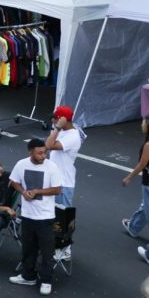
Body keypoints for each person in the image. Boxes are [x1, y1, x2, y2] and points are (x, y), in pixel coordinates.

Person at [8, 138, 63, 295]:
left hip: (45, 217)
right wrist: (23, 192)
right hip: (27, 215)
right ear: (30, 151)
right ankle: (28, 275)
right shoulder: (21, 164)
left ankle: (46, 280)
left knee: (47, 251)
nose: (43, 155)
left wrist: (38, 191)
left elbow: (57, 190)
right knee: (28, 248)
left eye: (44, 152)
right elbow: (13, 181)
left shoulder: (52, 167)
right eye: (39, 153)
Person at [45, 104, 82, 261]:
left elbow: (49, 145)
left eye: (56, 118)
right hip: (55, 181)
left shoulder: (72, 136)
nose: (53, 121)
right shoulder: (63, 132)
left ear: (63, 119)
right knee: (53, 216)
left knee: (63, 218)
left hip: (64, 183)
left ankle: (65, 250)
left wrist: (57, 129)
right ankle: (56, 245)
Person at [122, 116, 149, 240]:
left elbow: (142, 164)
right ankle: (134, 226)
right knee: (147, 205)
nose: (141, 125)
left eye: (143, 123)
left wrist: (129, 177)